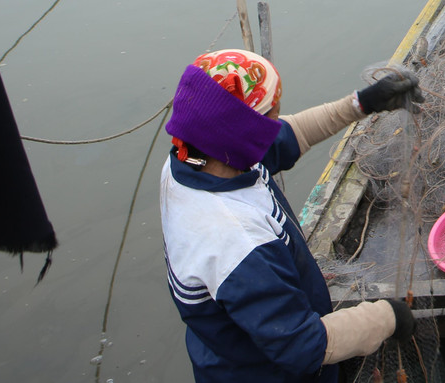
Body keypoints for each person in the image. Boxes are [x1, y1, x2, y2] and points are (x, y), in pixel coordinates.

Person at [160, 49, 424, 382]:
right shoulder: (235, 242)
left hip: (221, 346)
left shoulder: (194, 158)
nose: (274, 129)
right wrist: (388, 317)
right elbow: (304, 347)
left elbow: (287, 136)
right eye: (270, 119)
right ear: (245, 132)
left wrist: (361, 104)